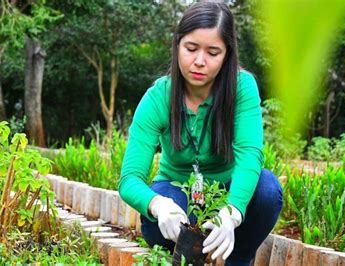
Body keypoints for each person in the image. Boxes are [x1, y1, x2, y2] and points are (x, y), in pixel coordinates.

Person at [118, 1, 283, 265]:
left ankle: (238, 259)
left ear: (227, 54)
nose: (199, 61)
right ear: (177, 45)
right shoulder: (158, 98)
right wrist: (157, 205)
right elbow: (129, 180)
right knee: (161, 213)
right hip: (177, 200)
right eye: (191, 48)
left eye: (213, 52)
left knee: (267, 189)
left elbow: (250, 155)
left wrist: (232, 212)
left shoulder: (242, 88)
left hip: (225, 197)